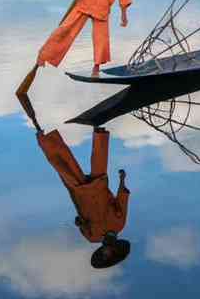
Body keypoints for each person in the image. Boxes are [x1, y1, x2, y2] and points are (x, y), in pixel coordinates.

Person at [17, 90, 131, 269]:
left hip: (81, 194)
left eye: (103, 255)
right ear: (115, 249)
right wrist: (122, 180)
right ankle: (97, 127)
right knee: (99, 163)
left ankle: (41, 132)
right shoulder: (119, 224)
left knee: (60, 163)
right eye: (108, 254)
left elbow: (80, 220)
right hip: (99, 188)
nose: (105, 252)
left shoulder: (91, 236)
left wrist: (79, 222)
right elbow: (122, 200)